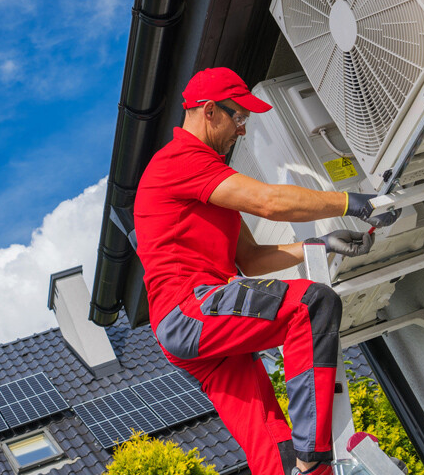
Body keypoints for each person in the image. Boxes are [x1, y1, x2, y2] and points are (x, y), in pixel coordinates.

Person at [134, 67, 398, 475]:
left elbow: (252, 259)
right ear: (209, 111)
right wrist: (350, 201)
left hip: (193, 327)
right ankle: (313, 461)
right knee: (310, 305)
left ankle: (299, 463)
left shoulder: (207, 180)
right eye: (238, 117)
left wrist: (317, 245)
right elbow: (270, 202)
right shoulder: (181, 160)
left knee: (271, 443)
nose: (242, 130)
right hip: (191, 309)